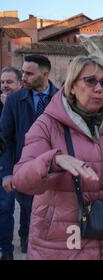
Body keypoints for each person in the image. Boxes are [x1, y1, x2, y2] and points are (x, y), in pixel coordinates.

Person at [11, 55, 103, 260]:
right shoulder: (46, 124)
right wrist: (53, 162)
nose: (98, 88)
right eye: (90, 81)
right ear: (72, 86)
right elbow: (21, 179)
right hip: (59, 243)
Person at [0, 56, 58, 260]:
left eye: (28, 73)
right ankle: (27, 241)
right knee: (29, 213)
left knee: (51, 220)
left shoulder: (62, 99)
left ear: (44, 74)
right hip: (25, 170)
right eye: (22, 72)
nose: (23, 77)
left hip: (55, 171)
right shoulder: (15, 100)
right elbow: (5, 139)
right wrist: (6, 172)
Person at [0, 67, 23, 260]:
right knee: (5, 207)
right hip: (4, 163)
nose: (4, 86)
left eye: (9, 82)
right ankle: (6, 249)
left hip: (25, 162)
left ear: (19, 84)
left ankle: (25, 237)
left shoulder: (26, 102)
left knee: (28, 206)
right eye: (2, 82)